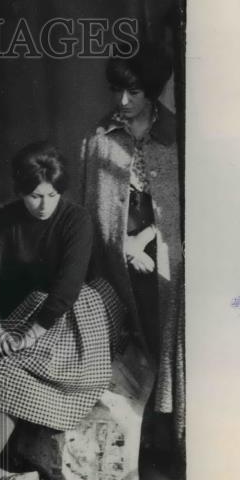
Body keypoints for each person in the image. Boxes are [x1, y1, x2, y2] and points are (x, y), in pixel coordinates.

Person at [0, 142, 125, 480]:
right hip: (26, 311)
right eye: (35, 196)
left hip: (75, 316)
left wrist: (27, 337)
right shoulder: (7, 218)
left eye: (52, 195)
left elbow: (66, 290)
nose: (44, 205)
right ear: (21, 192)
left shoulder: (76, 220)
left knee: (7, 374)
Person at [80, 44, 184, 456]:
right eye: (116, 91)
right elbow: (92, 210)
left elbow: (180, 210)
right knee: (123, 350)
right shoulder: (99, 140)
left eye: (134, 92)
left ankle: (167, 444)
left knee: (165, 344)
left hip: (164, 266)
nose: (122, 102)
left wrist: (146, 242)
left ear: (153, 91)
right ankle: (128, 450)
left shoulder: (176, 138)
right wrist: (121, 244)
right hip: (113, 267)